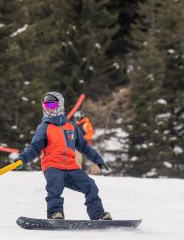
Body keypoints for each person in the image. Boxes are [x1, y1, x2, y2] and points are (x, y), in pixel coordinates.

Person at [15, 92, 112, 220]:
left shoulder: (71, 127)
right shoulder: (44, 127)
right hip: (52, 166)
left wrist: (98, 160)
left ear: (60, 105)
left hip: (71, 167)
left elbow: (84, 146)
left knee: (90, 185)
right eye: (46, 105)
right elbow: (34, 147)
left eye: (52, 105)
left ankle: (98, 215)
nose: (49, 108)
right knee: (55, 187)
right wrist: (22, 159)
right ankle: (55, 214)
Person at [73, 110, 100, 175]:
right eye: (75, 117)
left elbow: (91, 133)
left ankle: (95, 172)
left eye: (77, 117)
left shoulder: (86, 124)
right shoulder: (76, 125)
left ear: (81, 117)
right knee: (77, 158)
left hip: (86, 144)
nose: (76, 119)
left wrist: (83, 138)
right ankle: (77, 171)